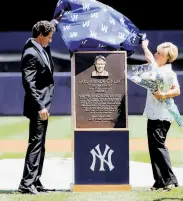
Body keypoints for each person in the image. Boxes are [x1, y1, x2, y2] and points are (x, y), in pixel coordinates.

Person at [18, 19, 60, 194]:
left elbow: (48, 29)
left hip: (43, 105)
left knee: (40, 144)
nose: (50, 40)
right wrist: (41, 106)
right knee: (35, 143)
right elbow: (29, 83)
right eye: (49, 37)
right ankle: (26, 185)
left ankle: (35, 181)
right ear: (41, 36)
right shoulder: (31, 53)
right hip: (39, 107)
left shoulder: (40, 47)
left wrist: (55, 21)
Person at [141, 39, 180, 192]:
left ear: (166, 57)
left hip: (162, 115)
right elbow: (176, 90)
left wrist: (163, 94)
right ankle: (159, 181)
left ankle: (170, 180)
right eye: (156, 52)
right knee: (153, 147)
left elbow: (177, 91)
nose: (156, 55)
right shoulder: (162, 69)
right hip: (155, 113)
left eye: (159, 53)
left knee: (158, 146)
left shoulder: (166, 72)